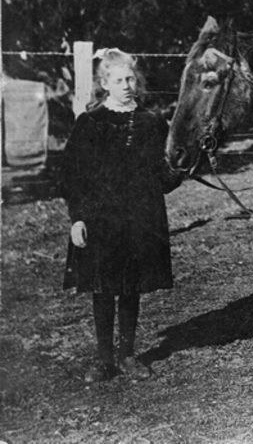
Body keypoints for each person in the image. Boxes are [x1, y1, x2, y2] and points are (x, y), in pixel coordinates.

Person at [62, 48, 181, 382]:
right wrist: (78, 218)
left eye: (131, 78)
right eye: (118, 80)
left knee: (130, 287)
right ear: (105, 83)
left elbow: (163, 180)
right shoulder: (91, 123)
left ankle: (128, 356)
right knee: (103, 289)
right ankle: (104, 361)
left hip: (139, 219)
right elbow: (74, 176)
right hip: (100, 220)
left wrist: (183, 166)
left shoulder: (152, 122)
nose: (126, 85)